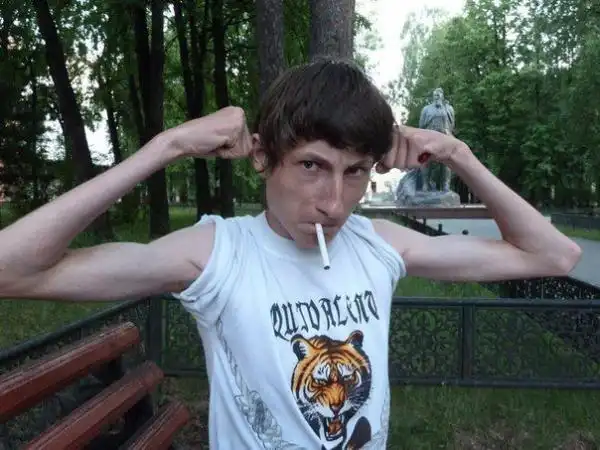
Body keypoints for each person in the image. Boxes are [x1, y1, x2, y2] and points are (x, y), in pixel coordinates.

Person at [0, 59, 581, 449]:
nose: (334, 202)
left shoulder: (379, 246)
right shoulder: (218, 255)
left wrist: (458, 156)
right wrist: (167, 146)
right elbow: (12, 269)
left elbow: (554, 256)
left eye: (355, 172)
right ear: (262, 158)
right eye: (311, 166)